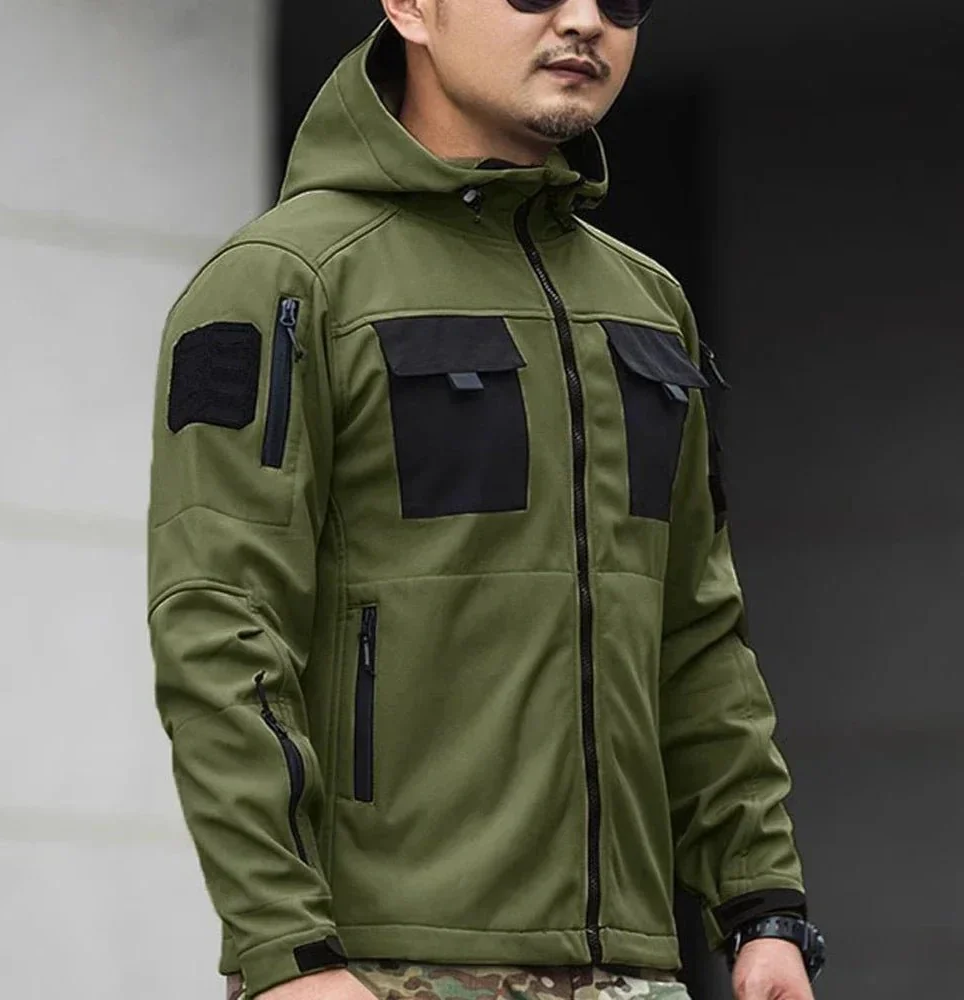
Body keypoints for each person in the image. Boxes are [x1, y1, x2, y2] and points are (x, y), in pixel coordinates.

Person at [146, 1, 827, 999]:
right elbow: (219, 627)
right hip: (386, 965)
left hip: (636, 968)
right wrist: (284, 949)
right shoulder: (282, 283)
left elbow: (694, 630)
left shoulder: (645, 306)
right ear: (410, 7)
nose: (584, 21)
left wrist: (760, 905)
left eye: (621, 0)